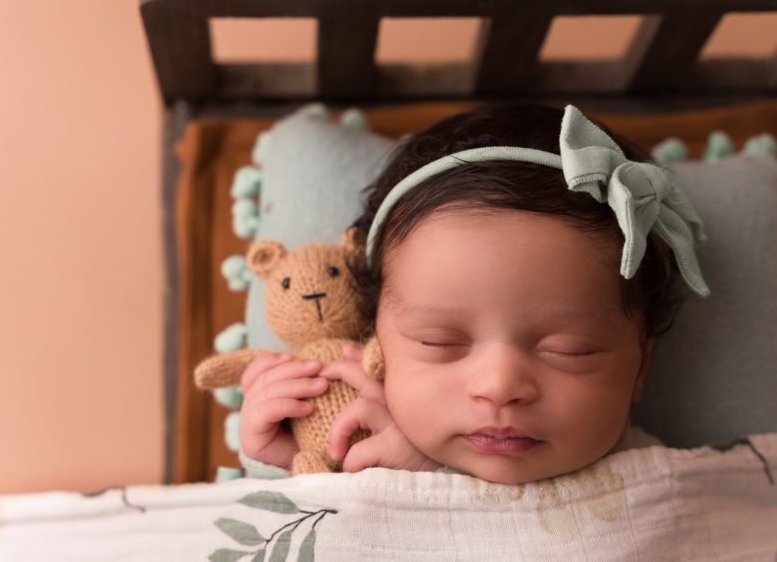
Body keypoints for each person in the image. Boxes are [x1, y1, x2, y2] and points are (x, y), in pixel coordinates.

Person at [237, 103, 710, 484]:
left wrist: (433, 481)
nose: (499, 387)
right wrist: (285, 464)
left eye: (569, 350)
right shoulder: (363, 456)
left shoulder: (667, 486)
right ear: (374, 342)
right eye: (440, 342)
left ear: (640, 367)